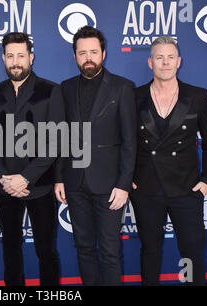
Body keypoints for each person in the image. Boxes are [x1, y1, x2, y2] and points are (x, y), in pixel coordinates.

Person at [130, 36, 207, 285]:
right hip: (146, 189)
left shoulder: (198, 96)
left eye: (170, 57)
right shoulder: (134, 96)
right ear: (150, 62)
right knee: (150, 252)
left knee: (192, 252)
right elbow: (124, 142)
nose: (165, 62)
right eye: (159, 57)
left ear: (179, 62)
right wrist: (128, 179)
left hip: (186, 188)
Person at [54, 26, 137, 286]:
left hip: (109, 185)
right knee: (84, 248)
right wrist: (58, 178)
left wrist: (124, 184)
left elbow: (130, 141)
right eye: (82, 53)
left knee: (111, 252)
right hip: (75, 183)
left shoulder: (123, 87)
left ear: (103, 53)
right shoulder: (65, 88)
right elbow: (60, 138)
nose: (88, 57)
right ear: (75, 56)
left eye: (93, 52)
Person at [0, 32, 64, 286]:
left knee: (46, 250)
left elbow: (56, 142)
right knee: (10, 248)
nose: (15, 61)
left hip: (40, 186)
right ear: (3, 59)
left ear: (31, 57)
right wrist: (4, 179)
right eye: (10, 56)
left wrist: (26, 177)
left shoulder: (51, 91)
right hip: (5, 186)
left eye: (21, 55)